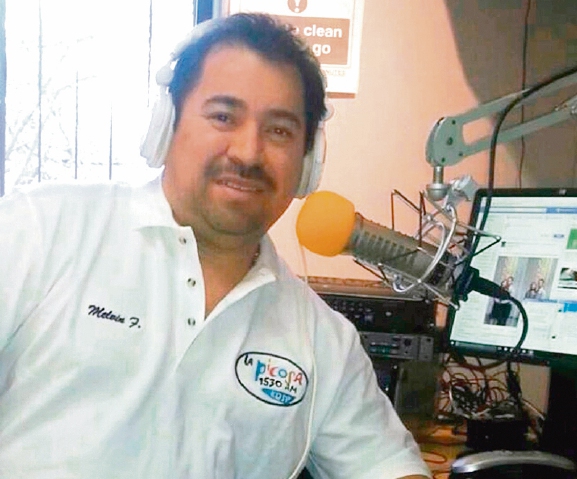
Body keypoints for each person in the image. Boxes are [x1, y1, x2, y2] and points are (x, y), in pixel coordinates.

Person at [0, 13, 430, 479]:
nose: (248, 152)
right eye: (223, 117)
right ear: (166, 125)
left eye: (279, 130)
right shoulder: (40, 229)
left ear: (308, 163)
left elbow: (387, 465)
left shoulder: (321, 339)